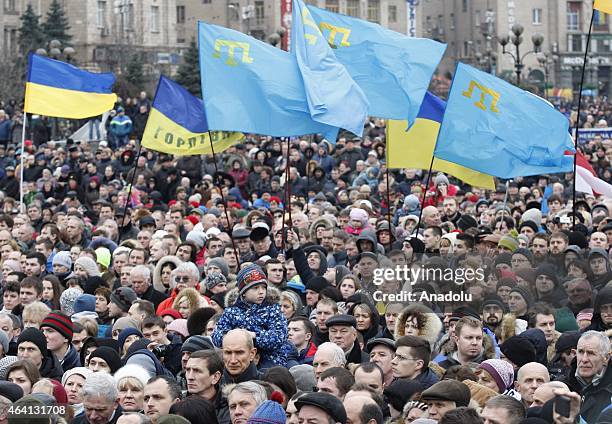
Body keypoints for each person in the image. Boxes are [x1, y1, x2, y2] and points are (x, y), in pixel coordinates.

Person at [212, 264, 290, 368]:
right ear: (243, 292)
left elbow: (278, 337)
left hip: (270, 361)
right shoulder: (231, 311)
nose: (261, 291)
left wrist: (253, 335)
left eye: (263, 287)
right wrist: (235, 336)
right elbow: (217, 336)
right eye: (255, 288)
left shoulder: (273, 309)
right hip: (237, 358)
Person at [185, 350, 229, 424]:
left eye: (197, 371)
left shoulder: (231, 407)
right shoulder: (178, 403)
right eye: (188, 370)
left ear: (215, 377)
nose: (190, 377)